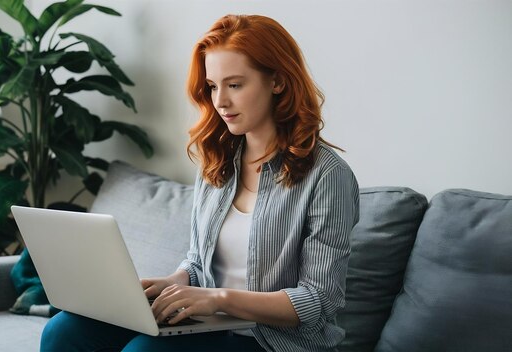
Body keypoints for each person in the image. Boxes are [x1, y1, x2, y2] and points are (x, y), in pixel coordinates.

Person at [41, 14, 359, 352]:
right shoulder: (217, 159)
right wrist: (172, 283)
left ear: (277, 81)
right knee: (63, 331)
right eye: (212, 86)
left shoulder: (327, 175)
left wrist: (217, 298)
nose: (220, 101)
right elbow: (197, 261)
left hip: (274, 342)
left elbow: (319, 298)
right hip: (210, 327)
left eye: (235, 85)